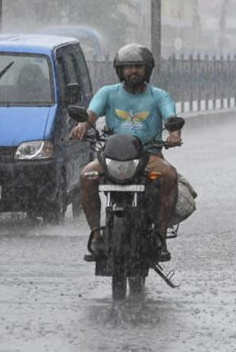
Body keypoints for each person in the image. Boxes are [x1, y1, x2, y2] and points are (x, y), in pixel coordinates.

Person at [70, 43, 183, 262]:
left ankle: (160, 237)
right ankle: (96, 235)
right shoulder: (108, 93)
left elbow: (171, 118)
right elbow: (91, 114)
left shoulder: (159, 96)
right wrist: (82, 125)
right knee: (86, 176)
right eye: (128, 67)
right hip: (111, 157)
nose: (133, 71)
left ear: (147, 70)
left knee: (169, 175)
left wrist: (174, 134)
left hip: (149, 156)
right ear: (120, 70)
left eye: (138, 67)